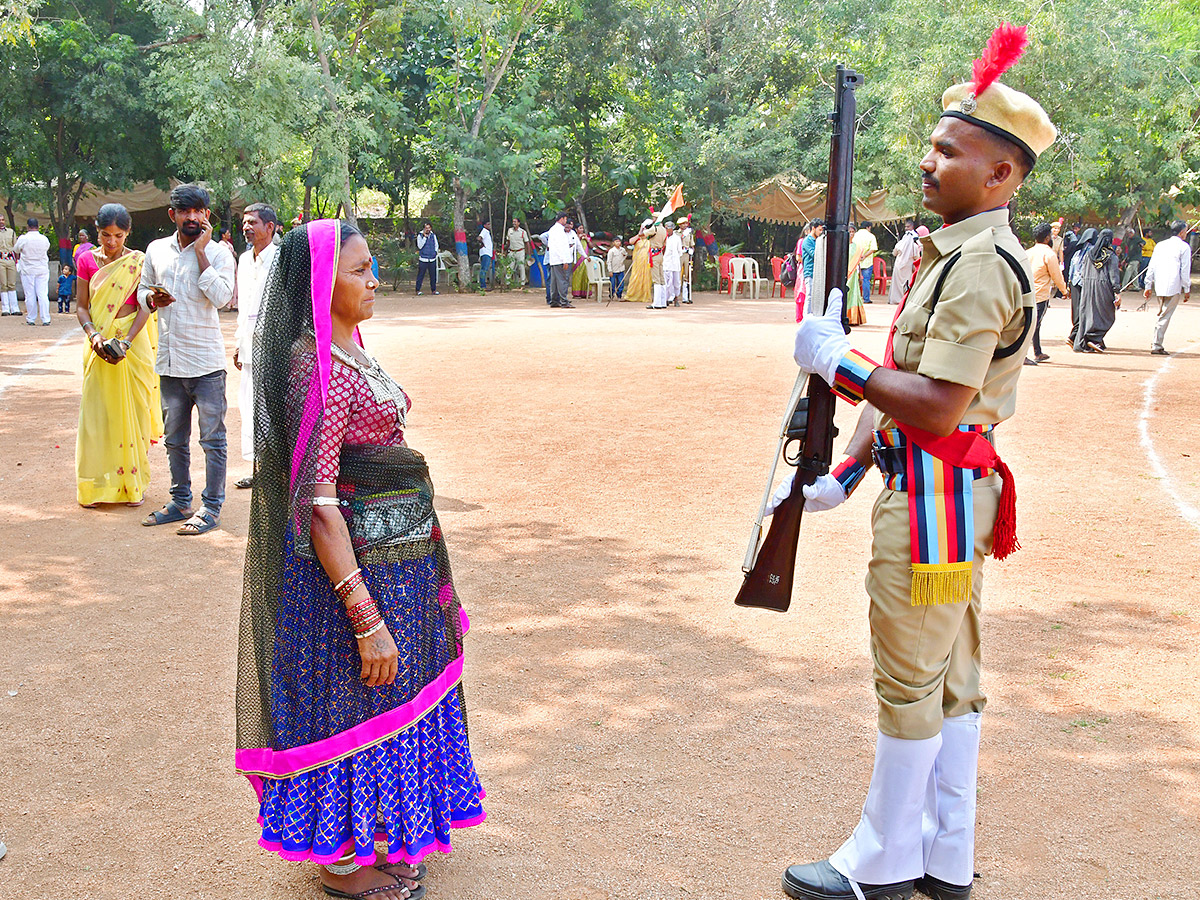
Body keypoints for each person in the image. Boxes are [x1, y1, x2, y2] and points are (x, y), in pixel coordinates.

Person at [774, 31, 1055, 900]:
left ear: (1002, 175)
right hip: (946, 487)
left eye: (950, 151)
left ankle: (884, 857)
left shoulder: (977, 267)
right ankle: (944, 848)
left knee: (908, 676)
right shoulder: (958, 254)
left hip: (934, 499)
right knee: (952, 677)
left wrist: (838, 364)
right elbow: (917, 394)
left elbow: (932, 402)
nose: (930, 163)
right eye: (933, 146)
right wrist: (848, 473)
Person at [235, 220, 485, 900]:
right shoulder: (317, 368)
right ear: (322, 282)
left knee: (393, 699)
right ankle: (341, 865)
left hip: (401, 561)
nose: (374, 279)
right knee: (352, 700)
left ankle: (379, 834)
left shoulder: (349, 350)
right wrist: (364, 613)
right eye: (358, 270)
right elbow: (317, 502)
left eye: (372, 266)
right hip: (358, 576)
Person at [138, 183, 235, 536]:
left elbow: (223, 298)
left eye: (198, 211)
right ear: (173, 215)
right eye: (185, 211)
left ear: (206, 215)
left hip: (207, 363)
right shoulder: (156, 250)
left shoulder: (221, 253)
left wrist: (201, 253)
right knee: (174, 439)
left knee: (212, 440)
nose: (192, 217)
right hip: (169, 362)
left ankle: (211, 508)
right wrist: (152, 299)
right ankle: (180, 501)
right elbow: (142, 289)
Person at [74, 203, 162, 508]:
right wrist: (94, 336)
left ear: (128, 233)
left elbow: (145, 306)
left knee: (134, 416)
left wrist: (124, 342)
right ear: (96, 231)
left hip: (132, 347)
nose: (111, 242)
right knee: (97, 416)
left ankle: (130, 484)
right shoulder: (86, 260)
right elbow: (82, 306)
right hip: (98, 344)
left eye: (118, 235)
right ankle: (96, 486)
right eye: (105, 235)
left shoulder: (138, 262)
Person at [233, 202, 280, 489]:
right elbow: (244, 307)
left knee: (272, 409)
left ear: (270, 228)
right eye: (245, 223)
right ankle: (258, 466)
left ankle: (277, 469)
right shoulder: (243, 260)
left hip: (275, 346)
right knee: (249, 407)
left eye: (253, 223)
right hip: (250, 345)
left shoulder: (281, 259)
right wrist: (240, 342)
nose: (247, 228)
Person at [1143, 220, 1193, 355]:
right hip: (1173, 285)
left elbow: (1151, 266)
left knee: (1163, 313)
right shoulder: (1184, 247)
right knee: (1165, 315)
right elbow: (1185, 270)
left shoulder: (1160, 245)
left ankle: (1156, 342)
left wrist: (1148, 285)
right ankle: (1156, 344)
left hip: (1160, 284)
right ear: (1182, 232)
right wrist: (1186, 289)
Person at [1025, 222, 1067, 365]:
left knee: (1030, 324)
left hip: (1025, 294)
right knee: (1034, 325)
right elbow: (1056, 275)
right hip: (1040, 295)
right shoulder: (1049, 254)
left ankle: (1037, 352)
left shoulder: (1028, 252)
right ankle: (1024, 354)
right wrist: (1064, 290)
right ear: (1048, 237)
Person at [1073, 229, 1121, 353]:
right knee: (1107, 315)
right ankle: (1093, 338)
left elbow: (1083, 270)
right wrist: (1117, 292)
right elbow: (1113, 275)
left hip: (1087, 286)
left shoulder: (1089, 254)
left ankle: (1088, 341)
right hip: (1103, 287)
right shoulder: (1111, 256)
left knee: (1088, 313)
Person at [14, 217, 52, 326]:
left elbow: (16, 250)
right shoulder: (44, 239)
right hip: (42, 268)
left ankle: (31, 318)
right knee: (43, 294)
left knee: (30, 294)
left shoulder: (23, 238)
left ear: (28, 226)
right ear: (37, 226)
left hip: (28, 269)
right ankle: (46, 319)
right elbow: (46, 248)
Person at [1065, 227, 1097, 345]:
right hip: (1085, 283)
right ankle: (1075, 336)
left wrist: (1068, 284)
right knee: (1086, 309)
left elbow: (1071, 269)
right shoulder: (1094, 251)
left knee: (1076, 308)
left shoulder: (1077, 252)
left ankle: (1077, 332)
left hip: (1074, 282)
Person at [543, 211, 575, 308]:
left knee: (554, 281)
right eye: (565, 219)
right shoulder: (559, 231)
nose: (566, 221)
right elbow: (560, 247)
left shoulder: (553, 229)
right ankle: (564, 301)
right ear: (562, 219)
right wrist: (564, 260)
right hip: (560, 259)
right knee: (562, 280)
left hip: (554, 259)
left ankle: (554, 300)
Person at [888, 220, 920, 305]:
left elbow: (894, 253)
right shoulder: (915, 246)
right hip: (908, 266)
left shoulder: (899, 244)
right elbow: (916, 257)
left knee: (898, 284)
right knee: (906, 283)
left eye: (908, 227)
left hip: (899, 265)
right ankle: (904, 300)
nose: (906, 228)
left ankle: (895, 299)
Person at [843, 224, 867, 325]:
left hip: (854, 274)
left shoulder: (857, 247)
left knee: (854, 294)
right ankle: (845, 316)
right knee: (846, 294)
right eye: (850, 231)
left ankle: (854, 318)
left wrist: (860, 275)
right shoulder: (842, 246)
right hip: (845, 274)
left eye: (853, 232)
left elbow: (858, 263)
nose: (851, 234)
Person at [850, 220, 878, 303]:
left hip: (855, 261)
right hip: (867, 262)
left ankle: (854, 298)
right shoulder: (871, 236)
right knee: (866, 280)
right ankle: (866, 299)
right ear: (868, 227)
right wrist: (864, 255)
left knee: (853, 279)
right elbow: (873, 248)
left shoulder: (855, 235)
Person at [645, 219, 669, 309]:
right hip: (660, 253)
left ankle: (657, 303)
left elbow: (644, 234)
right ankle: (662, 302)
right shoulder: (664, 229)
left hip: (654, 254)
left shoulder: (654, 228)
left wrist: (644, 226)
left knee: (656, 278)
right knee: (661, 278)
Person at [624, 227, 652, 304]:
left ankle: (644, 296)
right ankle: (631, 295)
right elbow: (631, 241)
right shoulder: (638, 239)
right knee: (635, 277)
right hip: (638, 262)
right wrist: (639, 233)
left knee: (646, 278)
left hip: (647, 262)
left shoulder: (650, 240)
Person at [415, 222, 439, 295]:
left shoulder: (433, 235)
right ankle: (418, 290)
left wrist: (435, 252)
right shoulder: (420, 236)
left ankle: (433, 290)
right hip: (423, 259)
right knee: (421, 275)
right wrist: (424, 237)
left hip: (432, 258)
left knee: (433, 275)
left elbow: (436, 245)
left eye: (429, 228)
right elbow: (420, 246)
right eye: (426, 228)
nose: (427, 229)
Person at [662, 221, 683, 306]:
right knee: (667, 282)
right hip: (666, 262)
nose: (667, 230)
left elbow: (679, 251)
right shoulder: (664, 237)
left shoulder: (677, 238)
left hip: (675, 263)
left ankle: (676, 298)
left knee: (676, 282)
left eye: (668, 228)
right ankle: (666, 299)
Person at [506, 216, 530, 287]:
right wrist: (505, 250)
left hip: (520, 251)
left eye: (515, 222)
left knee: (521, 267)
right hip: (512, 251)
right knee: (510, 267)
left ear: (519, 223)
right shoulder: (510, 230)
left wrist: (528, 253)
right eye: (513, 222)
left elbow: (527, 242)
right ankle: (508, 283)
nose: (514, 223)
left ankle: (522, 283)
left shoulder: (523, 232)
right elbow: (508, 241)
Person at [0, 218, 17, 315]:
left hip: (10, 259)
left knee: (12, 283)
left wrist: (17, 261)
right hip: (0, 259)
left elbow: (16, 247)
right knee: (3, 284)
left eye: (2, 220)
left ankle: (14, 308)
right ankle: (5, 308)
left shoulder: (11, 232)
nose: (1, 222)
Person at [678, 217, 695, 303]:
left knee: (686, 275)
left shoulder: (690, 234)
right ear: (680, 225)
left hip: (687, 255)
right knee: (677, 274)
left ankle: (685, 297)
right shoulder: (676, 233)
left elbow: (692, 245)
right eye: (683, 224)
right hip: (679, 254)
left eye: (686, 223)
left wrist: (692, 250)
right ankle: (675, 296)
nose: (685, 225)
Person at [477, 220, 493, 290]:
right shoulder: (484, 231)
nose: (489, 225)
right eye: (488, 224)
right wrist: (482, 243)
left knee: (485, 269)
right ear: (484, 225)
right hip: (485, 252)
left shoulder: (487, 232)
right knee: (484, 269)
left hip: (488, 252)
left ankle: (483, 285)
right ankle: (483, 286)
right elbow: (479, 238)